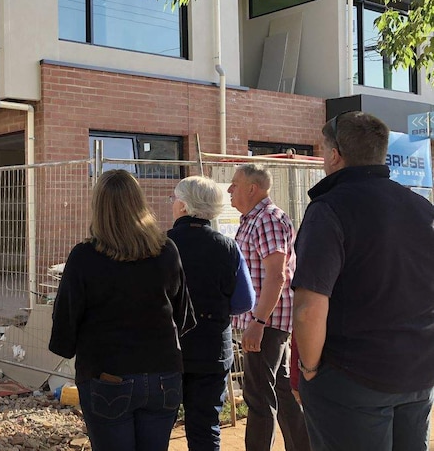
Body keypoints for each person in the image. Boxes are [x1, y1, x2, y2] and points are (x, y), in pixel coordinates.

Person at [292, 111, 434, 451]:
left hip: (350, 378)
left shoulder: (329, 209)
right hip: (417, 371)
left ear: (335, 154)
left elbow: (310, 307)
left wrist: (308, 368)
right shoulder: (421, 206)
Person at [49, 169, 196, 451]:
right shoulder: (167, 250)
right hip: (163, 377)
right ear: (140, 204)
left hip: (107, 376)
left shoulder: (84, 257)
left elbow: (66, 320)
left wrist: (66, 347)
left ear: (99, 208)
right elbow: (184, 315)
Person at [168, 176, 255, 451]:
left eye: (173, 199)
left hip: (168, 347)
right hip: (213, 348)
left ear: (183, 206)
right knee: (206, 426)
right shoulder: (228, 246)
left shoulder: (162, 245)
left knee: (158, 423)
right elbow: (245, 301)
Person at [227, 163, 310, 451]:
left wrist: (258, 323)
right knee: (281, 390)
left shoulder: (267, 219)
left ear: (253, 188)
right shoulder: (255, 219)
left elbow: (277, 275)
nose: (229, 189)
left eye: (234, 184)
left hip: (267, 325)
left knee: (259, 397)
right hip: (267, 323)